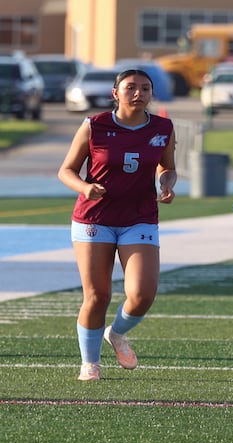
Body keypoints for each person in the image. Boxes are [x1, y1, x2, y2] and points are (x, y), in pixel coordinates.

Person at [57, 68, 177, 381]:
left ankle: (117, 333)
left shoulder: (163, 126)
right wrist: (85, 188)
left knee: (142, 294)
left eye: (145, 88)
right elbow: (66, 171)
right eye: (131, 88)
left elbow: (168, 167)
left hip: (139, 217)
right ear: (116, 93)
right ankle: (90, 364)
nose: (138, 93)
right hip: (95, 218)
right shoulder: (95, 125)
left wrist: (166, 184)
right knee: (97, 296)